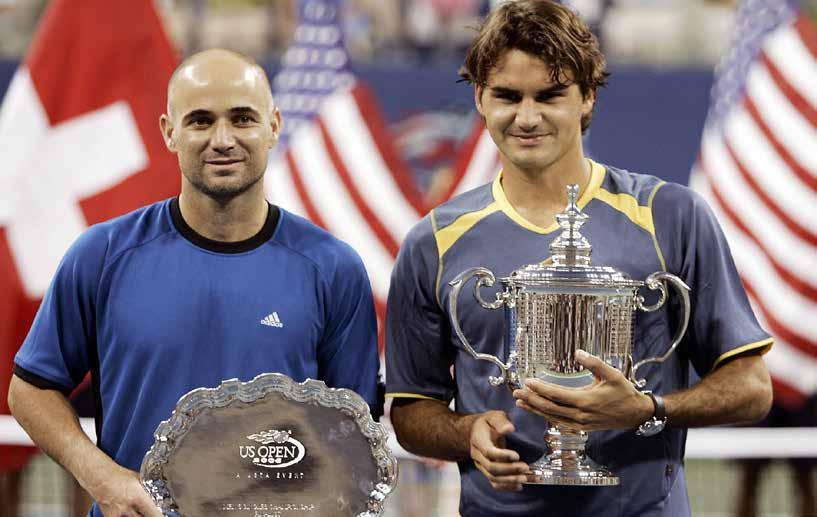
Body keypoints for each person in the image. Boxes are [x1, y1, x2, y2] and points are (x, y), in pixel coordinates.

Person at [385, 2, 774, 516]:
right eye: (507, 96)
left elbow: (751, 387)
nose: (527, 117)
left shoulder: (672, 216)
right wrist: (465, 431)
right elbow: (412, 409)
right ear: (480, 98)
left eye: (550, 95)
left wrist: (648, 409)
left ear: (587, 97)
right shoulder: (431, 242)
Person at [7, 49, 380, 517]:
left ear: (274, 125)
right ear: (169, 131)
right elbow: (29, 390)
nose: (222, 140)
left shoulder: (333, 268)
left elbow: (353, 435)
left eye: (242, 118)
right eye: (200, 121)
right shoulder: (101, 255)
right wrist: (101, 477)